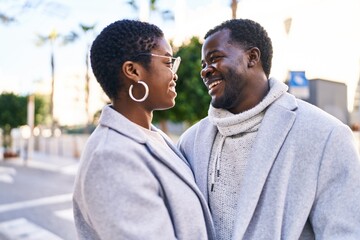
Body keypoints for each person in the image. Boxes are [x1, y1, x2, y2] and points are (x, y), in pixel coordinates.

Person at [177, 18, 360, 239]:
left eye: (214, 59)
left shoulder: (326, 135)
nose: (205, 71)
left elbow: (345, 233)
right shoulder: (190, 142)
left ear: (252, 58)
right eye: (203, 64)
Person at [72, 19, 215, 240]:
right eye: (168, 63)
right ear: (133, 70)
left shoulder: (152, 136)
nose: (174, 74)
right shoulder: (110, 158)